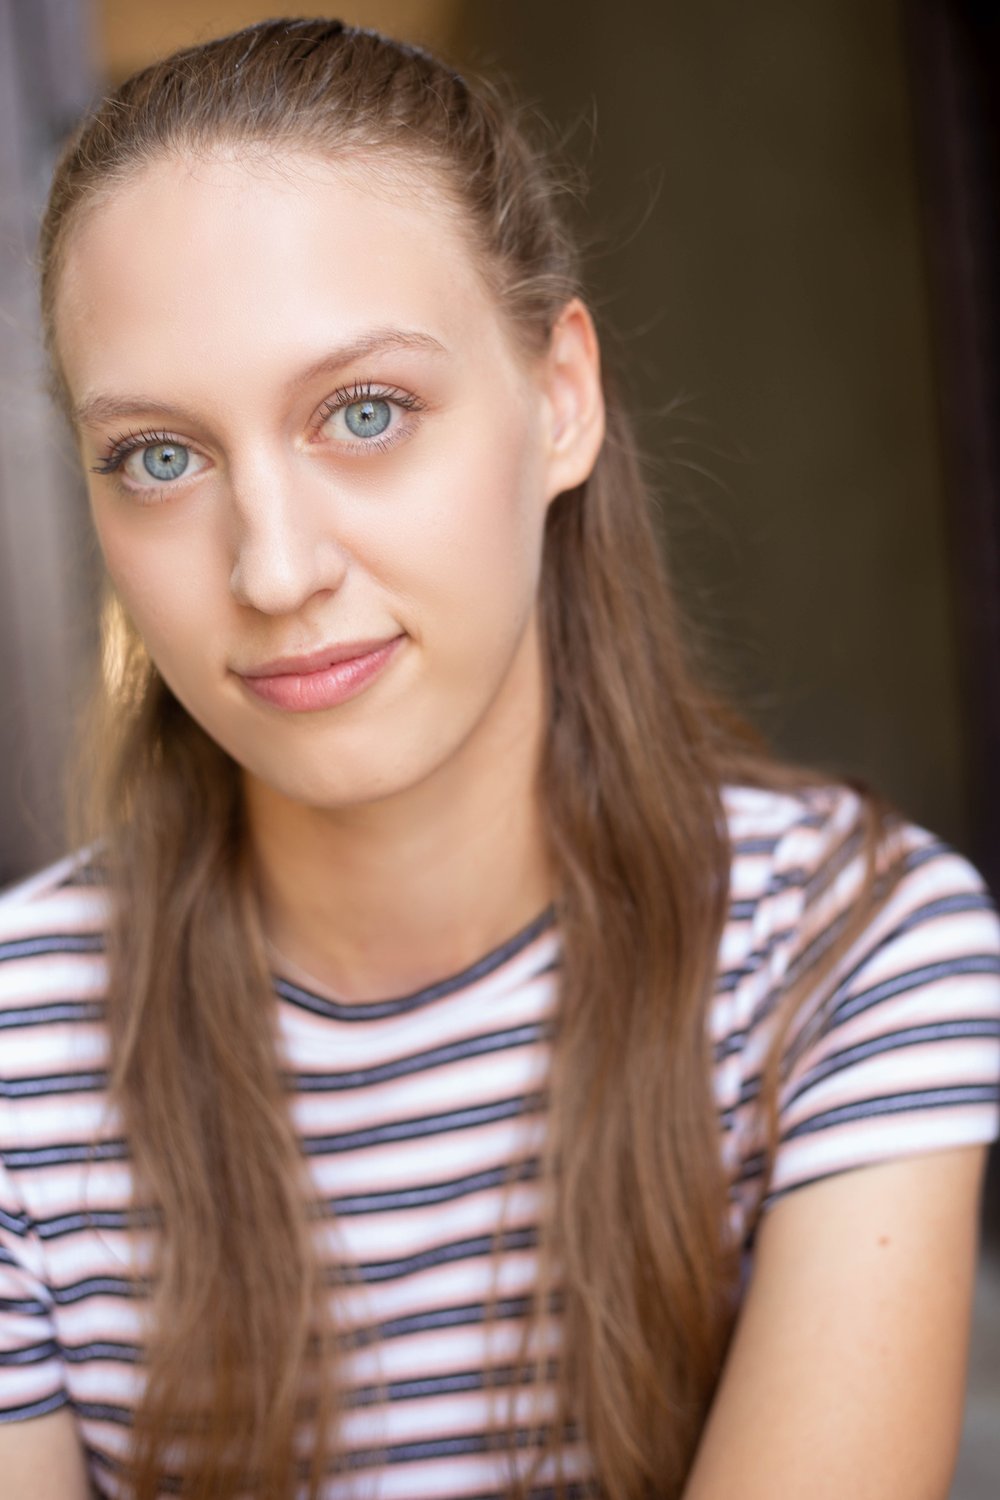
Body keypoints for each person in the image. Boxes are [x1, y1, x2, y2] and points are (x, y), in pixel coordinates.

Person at [0, 15, 997, 1500]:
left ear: (560, 401)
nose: (273, 570)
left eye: (365, 412)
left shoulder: (851, 955)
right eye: (160, 455)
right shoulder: (18, 1055)